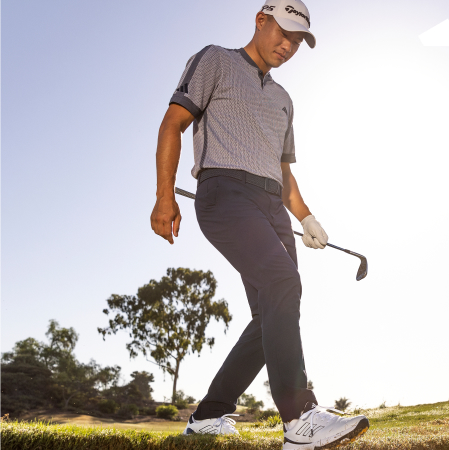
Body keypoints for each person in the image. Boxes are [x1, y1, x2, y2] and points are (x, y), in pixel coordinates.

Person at [150, 0, 369, 448]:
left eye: (297, 41)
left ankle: (208, 416)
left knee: (269, 313)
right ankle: (300, 419)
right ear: (260, 20)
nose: (287, 45)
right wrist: (164, 196)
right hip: (224, 193)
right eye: (282, 33)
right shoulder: (215, 59)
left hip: (271, 205)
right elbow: (172, 125)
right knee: (283, 283)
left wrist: (306, 217)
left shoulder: (285, 100)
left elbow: (284, 172)